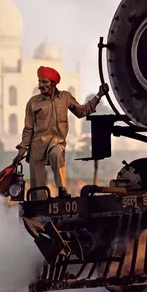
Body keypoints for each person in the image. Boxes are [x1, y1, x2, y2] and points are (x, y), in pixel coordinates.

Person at [13, 66, 109, 198]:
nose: (41, 85)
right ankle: (40, 212)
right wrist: (22, 151)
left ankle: (61, 189)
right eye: (40, 82)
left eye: (45, 82)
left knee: (57, 153)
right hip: (37, 148)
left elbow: (82, 111)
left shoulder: (65, 97)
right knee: (38, 194)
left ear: (53, 83)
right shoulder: (33, 103)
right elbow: (28, 128)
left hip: (56, 142)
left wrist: (99, 95)